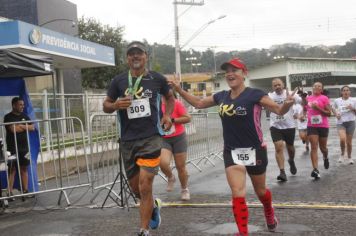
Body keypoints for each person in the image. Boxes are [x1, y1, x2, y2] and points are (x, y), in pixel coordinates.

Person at [168, 58, 295, 235]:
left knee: (261, 191)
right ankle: (242, 232)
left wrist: (287, 104)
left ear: (244, 73)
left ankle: (268, 211)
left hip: (255, 149)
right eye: (227, 71)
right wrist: (179, 89)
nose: (230, 74)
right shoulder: (222, 96)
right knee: (237, 192)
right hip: (232, 151)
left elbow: (279, 110)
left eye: (234, 70)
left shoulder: (255, 94)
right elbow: (198, 103)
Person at [102, 41, 175, 236]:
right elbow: (106, 105)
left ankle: (144, 230)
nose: (135, 57)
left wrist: (167, 115)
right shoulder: (118, 81)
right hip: (127, 140)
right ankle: (153, 206)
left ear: (146, 57)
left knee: (145, 185)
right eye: (131, 54)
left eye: (139, 53)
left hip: (151, 138)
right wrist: (116, 104)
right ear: (127, 58)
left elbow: (170, 98)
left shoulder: (157, 78)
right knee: (137, 189)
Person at [160, 94, 191, 200]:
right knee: (162, 162)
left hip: (178, 138)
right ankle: (170, 177)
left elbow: (188, 118)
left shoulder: (176, 103)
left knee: (180, 167)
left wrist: (172, 120)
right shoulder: (156, 104)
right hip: (164, 138)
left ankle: (184, 189)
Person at [268, 78, 299, 182]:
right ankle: (282, 172)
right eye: (275, 85)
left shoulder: (290, 93)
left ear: (283, 85)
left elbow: (304, 102)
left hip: (289, 126)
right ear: (272, 87)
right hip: (275, 126)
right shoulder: (270, 96)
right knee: (279, 147)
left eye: (279, 85)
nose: (277, 87)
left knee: (290, 148)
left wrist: (295, 100)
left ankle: (291, 160)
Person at [4, 97, 35, 200]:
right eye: (20, 105)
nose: (22, 106)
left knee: (24, 168)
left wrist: (20, 125)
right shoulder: (8, 117)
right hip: (12, 148)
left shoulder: (25, 116)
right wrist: (24, 126)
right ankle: (9, 193)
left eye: (23, 104)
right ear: (14, 105)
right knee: (12, 170)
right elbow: (13, 129)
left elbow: (32, 127)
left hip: (24, 148)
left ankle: (25, 191)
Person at [304, 82, 332, 179]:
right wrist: (301, 115)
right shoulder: (308, 98)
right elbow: (304, 109)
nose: (316, 87)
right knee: (314, 146)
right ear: (312, 88)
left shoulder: (324, 98)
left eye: (319, 86)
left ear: (322, 89)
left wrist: (318, 108)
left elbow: (329, 113)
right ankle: (315, 170)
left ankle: (325, 156)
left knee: (323, 148)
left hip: (323, 126)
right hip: (311, 125)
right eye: (315, 86)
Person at [331, 85, 356, 164]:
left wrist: (351, 108)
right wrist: (336, 114)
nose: (346, 92)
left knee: (349, 142)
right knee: (342, 139)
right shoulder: (337, 100)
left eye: (347, 90)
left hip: (351, 122)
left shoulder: (354, 100)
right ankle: (342, 154)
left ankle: (349, 157)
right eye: (344, 90)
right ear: (341, 92)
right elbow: (333, 108)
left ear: (350, 92)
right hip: (340, 122)